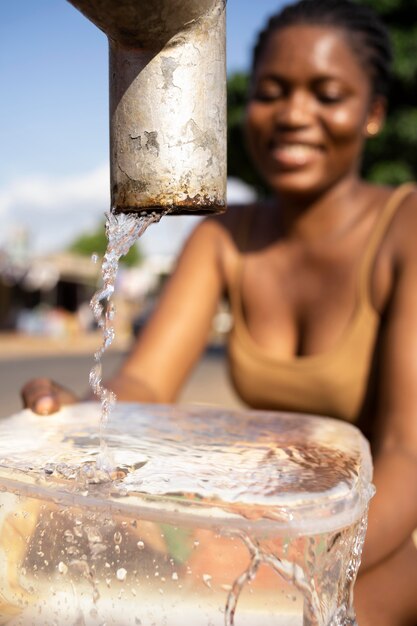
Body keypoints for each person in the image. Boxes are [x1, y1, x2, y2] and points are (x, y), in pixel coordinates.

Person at [22, 1, 417, 623]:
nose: (293, 114)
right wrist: (82, 419)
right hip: (256, 526)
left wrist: (295, 559)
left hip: (379, 529)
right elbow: (148, 383)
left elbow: (405, 451)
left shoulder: (406, 231)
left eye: (328, 94)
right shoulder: (224, 239)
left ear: (372, 115)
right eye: (271, 92)